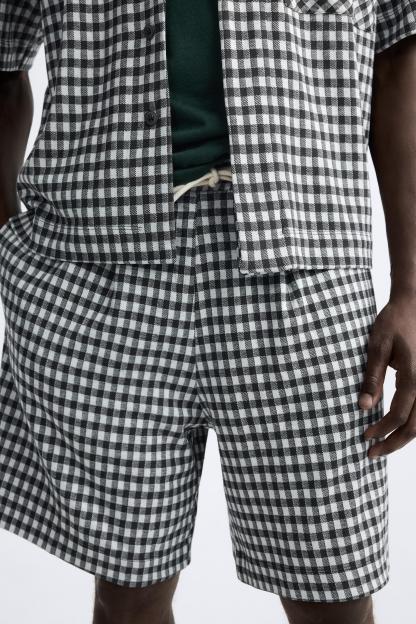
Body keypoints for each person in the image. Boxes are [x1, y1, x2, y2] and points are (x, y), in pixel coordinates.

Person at [0, 0, 415, 623]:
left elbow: (400, 49)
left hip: (304, 268)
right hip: (98, 270)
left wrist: (411, 288)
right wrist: (8, 244)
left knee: (336, 594)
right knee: (128, 598)